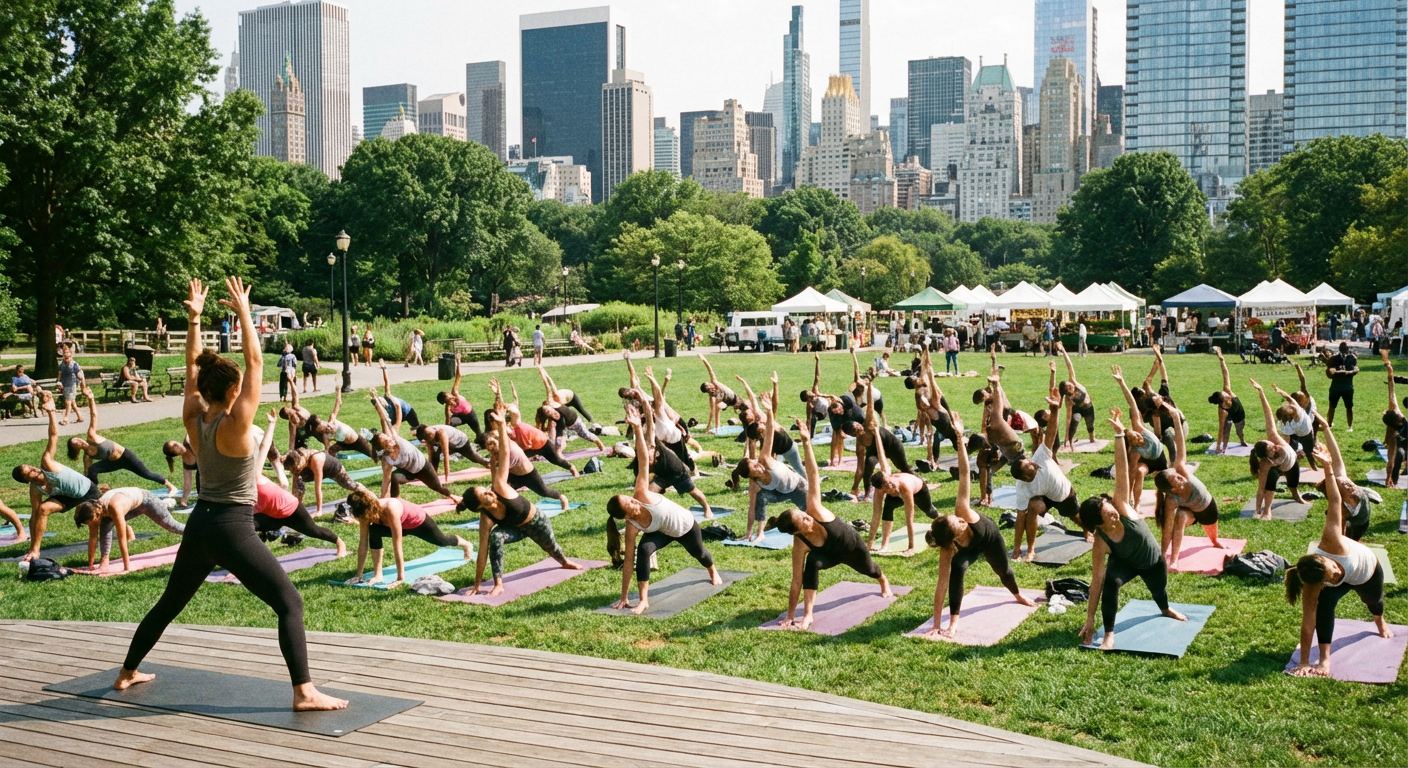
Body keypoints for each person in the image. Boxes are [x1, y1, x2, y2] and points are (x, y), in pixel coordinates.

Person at [114, 277, 346, 711]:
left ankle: (126, 671)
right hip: (232, 527)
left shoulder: (194, 416)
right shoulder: (236, 425)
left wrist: (195, 318)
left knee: (168, 603)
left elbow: (192, 369)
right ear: (233, 391)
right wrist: (244, 311)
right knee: (290, 603)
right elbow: (256, 362)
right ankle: (304, 691)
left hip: (200, 524)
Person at [1077, 409, 1187, 650]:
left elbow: (1121, 473)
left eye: (1110, 507)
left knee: (1159, 590)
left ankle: (1165, 608)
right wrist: (1089, 618)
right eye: (1108, 513)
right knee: (1109, 583)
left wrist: (1119, 436)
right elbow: (1095, 582)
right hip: (1125, 563)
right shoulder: (1101, 541)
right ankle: (1109, 634)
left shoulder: (1124, 508)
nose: (1113, 511)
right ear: (1099, 523)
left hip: (1152, 560)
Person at [1285, 437, 1392, 678]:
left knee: (1374, 603)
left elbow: (1335, 500)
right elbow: (1307, 621)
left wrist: (1327, 467)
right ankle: (1324, 660)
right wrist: (1304, 662)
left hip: (1367, 571)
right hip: (1347, 574)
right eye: (1330, 579)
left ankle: (1380, 622)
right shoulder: (1315, 583)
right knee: (1323, 607)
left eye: (1332, 571)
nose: (1335, 576)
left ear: (1327, 558)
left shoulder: (1331, 541)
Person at [772, 418, 893, 630]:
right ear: (798, 530)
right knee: (812, 563)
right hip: (828, 555)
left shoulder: (814, 509)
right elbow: (796, 581)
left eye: (804, 515)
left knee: (870, 569)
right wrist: (790, 614)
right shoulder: (800, 544)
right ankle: (808, 615)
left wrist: (807, 443)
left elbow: (812, 474)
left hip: (851, 548)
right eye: (804, 519)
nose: (808, 516)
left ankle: (883, 580)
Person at [920, 422, 1035, 639]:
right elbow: (940, 586)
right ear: (954, 537)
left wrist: (960, 440)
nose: (962, 520)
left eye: (958, 519)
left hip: (989, 539)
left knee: (1004, 572)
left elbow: (965, 473)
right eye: (959, 524)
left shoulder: (963, 510)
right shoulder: (948, 548)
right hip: (967, 549)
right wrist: (937, 623)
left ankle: (1018, 594)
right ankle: (953, 622)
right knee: (957, 570)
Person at [607, 402, 722, 615]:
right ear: (626, 516)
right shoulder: (632, 526)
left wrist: (637, 429)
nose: (634, 501)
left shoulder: (641, 494)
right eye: (629, 504)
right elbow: (628, 562)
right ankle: (643, 600)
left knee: (700, 553)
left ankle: (712, 570)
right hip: (662, 532)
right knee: (643, 550)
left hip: (685, 526)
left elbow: (642, 459)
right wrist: (624, 596)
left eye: (629, 499)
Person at [458, 407, 581, 597]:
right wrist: (476, 585)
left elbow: (505, 454)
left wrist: (500, 425)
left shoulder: (500, 488)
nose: (490, 493)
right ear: (481, 506)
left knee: (553, 549)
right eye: (486, 495)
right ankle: (499, 583)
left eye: (486, 490)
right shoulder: (486, 518)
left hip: (536, 522)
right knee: (495, 537)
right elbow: (482, 553)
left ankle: (564, 561)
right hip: (515, 530)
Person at [14, 392, 101, 560]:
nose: (34, 470)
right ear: (27, 480)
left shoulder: (47, 464)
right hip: (67, 496)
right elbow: (34, 515)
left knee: (102, 517)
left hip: (86, 490)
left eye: (31, 467)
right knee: (42, 510)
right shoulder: (35, 488)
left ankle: (127, 533)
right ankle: (35, 551)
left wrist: (51, 412)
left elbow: (53, 436)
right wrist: (32, 544)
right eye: (29, 472)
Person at [249, 413, 345, 556]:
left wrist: (272, 424)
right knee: (244, 528)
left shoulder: (256, 475)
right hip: (271, 516)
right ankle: (247, 559)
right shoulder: (239, 491)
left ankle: (339, 543)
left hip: (291, 510)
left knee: (313, 531)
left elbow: (264, 446)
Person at [344, 488, 471, 588]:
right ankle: (378, 575)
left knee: (442, 541)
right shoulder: (363, 513)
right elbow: (363, 543)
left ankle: (466, 544)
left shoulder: (390, 508)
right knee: (374, 530)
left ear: (369, 509)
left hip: (418, 523)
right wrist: (358, 575)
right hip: (400, 525)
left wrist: (400, 578)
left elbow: (397, 545)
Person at [1151, 403, 1223, 566]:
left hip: (1207, 508)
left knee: (1213, 536)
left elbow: (1181, 444)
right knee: (1180, 517)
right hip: (1189, 511)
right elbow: (1167, 529)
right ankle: (1174, 560)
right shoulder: (1171, 500)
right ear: (1173, 489)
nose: (1181, 477)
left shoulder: (1182, 471)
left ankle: (1215, 540)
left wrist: (1176, 417)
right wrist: (1163, 554)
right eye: (1176, 479)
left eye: (1177, 475)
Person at [68, 387, 177, 494]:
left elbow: (94, 415)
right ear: (76, 449)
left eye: (77, 439)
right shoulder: (87, 456)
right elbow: (87, 473)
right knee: (92, 470)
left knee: (146, 474)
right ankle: (95, 493)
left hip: (126, 456)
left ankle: (171, 486)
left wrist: (91, 399)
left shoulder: (91, 436)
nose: (79, 441)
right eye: (76, 443)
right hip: (113, 463)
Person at [1011, 388, 1079, 560]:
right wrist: (1017, 549)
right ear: (1026, 477)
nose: (1033, 463)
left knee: (1076, 518)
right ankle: (1031, 549)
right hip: (1044, 496)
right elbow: (1020, 519)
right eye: (1031, 467)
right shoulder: (1023, 488)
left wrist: (1055, 409)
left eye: (1030, 462)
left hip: (1062, 492)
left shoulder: (1040, 457)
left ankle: (1088, 531)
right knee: (1032, 509)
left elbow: (1051, 432)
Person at [867, 400, 937, 556]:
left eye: (891, 484)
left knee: (929, 511)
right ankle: (883, 545)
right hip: (899, 491)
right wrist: (869, 544)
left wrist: (911, 547)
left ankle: (941, 520)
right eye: (888, 488)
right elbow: (875, 517)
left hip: (917, 489)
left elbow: (909, 518)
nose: (892, 488)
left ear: (889, 478)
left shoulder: (902, 486)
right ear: (881, 488)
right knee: (888, 508)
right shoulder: (880, 489)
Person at [738, 393, 807, 543]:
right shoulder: (754, 483)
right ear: (751, 476)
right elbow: (751, 508)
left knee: (810, 513)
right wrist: (748, 532)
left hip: (797, 487)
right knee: (759, 498)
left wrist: (769, 412)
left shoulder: (765, 460)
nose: (759, 466)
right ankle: (760, 532)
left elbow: (769, 434)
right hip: (779, 494)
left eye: (756, 463)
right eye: (755, 468)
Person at [371, 387, 459, 502]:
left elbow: (384, 418)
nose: (391, 440)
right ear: (384, 449)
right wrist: (382, 503)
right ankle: (397, 501)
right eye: (387, 442)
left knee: (437, 487)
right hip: (408, 471)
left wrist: (376, 400)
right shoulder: (387, 462)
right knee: (394, 478)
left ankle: (454, 497)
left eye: (388, 438)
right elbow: (385, 484)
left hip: (421, 465)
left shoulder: (394, 437)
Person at [73, 486, 186, 573]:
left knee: (172, 526)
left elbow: (122, 538)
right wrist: (91, 564)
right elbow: (93, 537)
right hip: (131, 504)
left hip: (147, 501)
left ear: (96, 513)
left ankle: (197, 532)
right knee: (105, 525)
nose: (91, 524)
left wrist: (126, 567)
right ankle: (104, 561)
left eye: (91, 521)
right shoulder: (94, 510)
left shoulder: (114, 507)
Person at [492, 379, 579, 477]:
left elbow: (509, 410)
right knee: (512, 460)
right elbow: (499, 413)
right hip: (530, 447)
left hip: (542, 443)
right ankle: (511, 480)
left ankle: (571, 467)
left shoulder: (516, 423)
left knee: (556, 460)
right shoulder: (505, 429)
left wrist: (501, 398)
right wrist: (497, 395)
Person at [1249, 378, 1308, 520]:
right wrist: (1257, 509)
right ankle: (1267, 511)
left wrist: (1261, 391)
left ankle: (1297, 496)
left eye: (1271, 443)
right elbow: (1260, 489)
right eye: (1272, 448)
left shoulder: (1272, 437)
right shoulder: (1265, 465)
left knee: (1293, 486)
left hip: (1291, 463)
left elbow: (1267, 413)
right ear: (1267, 456)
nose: (1275, 445)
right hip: (1277, 467)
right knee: (1269, 485)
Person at [1313, 412, 1372, 541]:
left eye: (1345, 482)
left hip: (1361, 512)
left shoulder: (1342, 484)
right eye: (1345, 486)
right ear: (1342, 495)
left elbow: (1336, 457)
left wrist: (1326, 428)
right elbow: (1340, 528)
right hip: (1357, 526)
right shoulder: (1344, 507)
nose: (1347, 483)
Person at [283, 447, 367, 518]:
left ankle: (365, 491)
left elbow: (318, 488)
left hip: (334, 470)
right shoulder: (293, 457)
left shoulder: (315, 459)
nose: (296, 470)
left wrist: (319, 511)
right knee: (299, 479)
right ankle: (296, 507)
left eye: (298, 467)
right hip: (311, 470)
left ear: (301, 460)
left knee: (350, 485)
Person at [309, 388, 376, 461]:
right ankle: (335, 468)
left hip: (356, 440)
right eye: (322, 430)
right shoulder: (326, 436)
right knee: (331, 451)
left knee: (372, 456)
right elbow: (327, 450)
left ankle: (365, 434)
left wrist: (338, 391)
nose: (326, 428)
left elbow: (339, 403)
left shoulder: (332, 419)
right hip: (343, 444)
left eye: (325, 426)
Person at [1056, 342, 1096, 449]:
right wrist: (1065, 437)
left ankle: (1092, 437)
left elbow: (1070, 365)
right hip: (1078, 409)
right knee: (1075, 421)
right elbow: (1068, 419)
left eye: (1069, 383)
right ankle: (1070, 441)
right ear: (1067, 391)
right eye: (1068, 386)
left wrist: (1063, 350)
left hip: (1088, 408)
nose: (1070, 384)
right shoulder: (1069, 400)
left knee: (1090, 426)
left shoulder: (1073, 381)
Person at [1209, 348, 1247, 454]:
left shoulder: (1227, 390)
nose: (1227, 393)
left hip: (1239, 414)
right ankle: (1224, 447)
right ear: (1223, 401)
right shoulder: (1222, 410)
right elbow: (1220, 428)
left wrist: (1221, 358)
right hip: (1229, 415)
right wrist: (1218, 446)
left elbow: (1225, 374)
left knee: (1240, 431)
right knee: (1226, 430)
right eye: (1225, 395)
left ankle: (1242, 440)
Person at [437, 355, 482, 441]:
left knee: (479, 436)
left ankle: (478, 437)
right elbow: (447, 424)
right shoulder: (448, 408)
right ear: (445, 400)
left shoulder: (454, 392)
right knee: (451, 423)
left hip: (471, 415)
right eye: (447, 395)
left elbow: (458, 376)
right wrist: (446, 436)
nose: (449, 394)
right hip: (460, 418)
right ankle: (455, 439)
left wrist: (458, 363)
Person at [699, 354, 740, 433]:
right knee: (717, 407)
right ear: (708, 389)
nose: (709, 383)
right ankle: (717, 428)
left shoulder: (714, 382)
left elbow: (710, 369)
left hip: (735, 399)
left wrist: (703, 359)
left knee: (745, 412)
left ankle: (735, 420)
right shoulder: (711, 395)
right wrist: (708, 426)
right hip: (726, 403)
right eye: (708, 384)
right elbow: (712, 411)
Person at [1382, 359, 1407, 488]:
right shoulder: (1392, 433)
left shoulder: (1394, 407)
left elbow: (1391, 386)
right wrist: (1388, 478)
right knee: (1398, 456)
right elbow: (1390, 459)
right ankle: (1394, 479)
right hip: (1403, 441)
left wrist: (1390, 370)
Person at [1323, 341, 1358, 430]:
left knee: (1334, 407)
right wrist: (1348, 372)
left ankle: (1330, 424)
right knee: (1343, 407)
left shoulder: (1336, 358)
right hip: (1345, 386)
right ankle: (1348, 426)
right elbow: (1355, 370)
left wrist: (1340, 372)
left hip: (1338, 386)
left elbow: (1330, 371)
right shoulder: (1351, 358)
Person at [376, 361, 421, 429]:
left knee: (417, 428)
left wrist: (384, 369)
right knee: (391, 429)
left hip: (407, 410)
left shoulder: (387, 396)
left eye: (381, 399)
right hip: (397, 414)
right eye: (381, 402)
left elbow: (386, 382)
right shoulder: (384, 412)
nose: (382, 402)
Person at [162, 439, 199, 507]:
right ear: (176, 454)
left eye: (175, 442)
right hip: (206, 468)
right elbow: (187, 482)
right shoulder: (186, 461)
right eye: (175, 446)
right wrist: (184, 500)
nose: (178, 444)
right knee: (199, 486)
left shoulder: (188, 440)